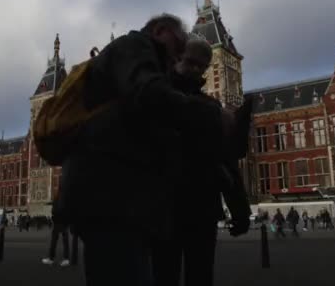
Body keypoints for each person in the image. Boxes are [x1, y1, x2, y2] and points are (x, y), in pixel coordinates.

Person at [56, 14, 229, 286]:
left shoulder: (134, 59)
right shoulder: (135, 47)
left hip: (110, 198)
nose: (180, 56)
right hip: (111, 199)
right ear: (160, 31)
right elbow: (147, 94)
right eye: (179, 47)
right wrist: (211, 115)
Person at [151, 38, 252, 286]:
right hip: (165, 207)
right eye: (191, 62)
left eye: (202, 65)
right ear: (177, 60)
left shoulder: (212, 106)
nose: (196, 69)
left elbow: (226, 159)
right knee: (165, 275)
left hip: (201, 206)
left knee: (201, 275)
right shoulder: (158, 97)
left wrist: (239, 208)